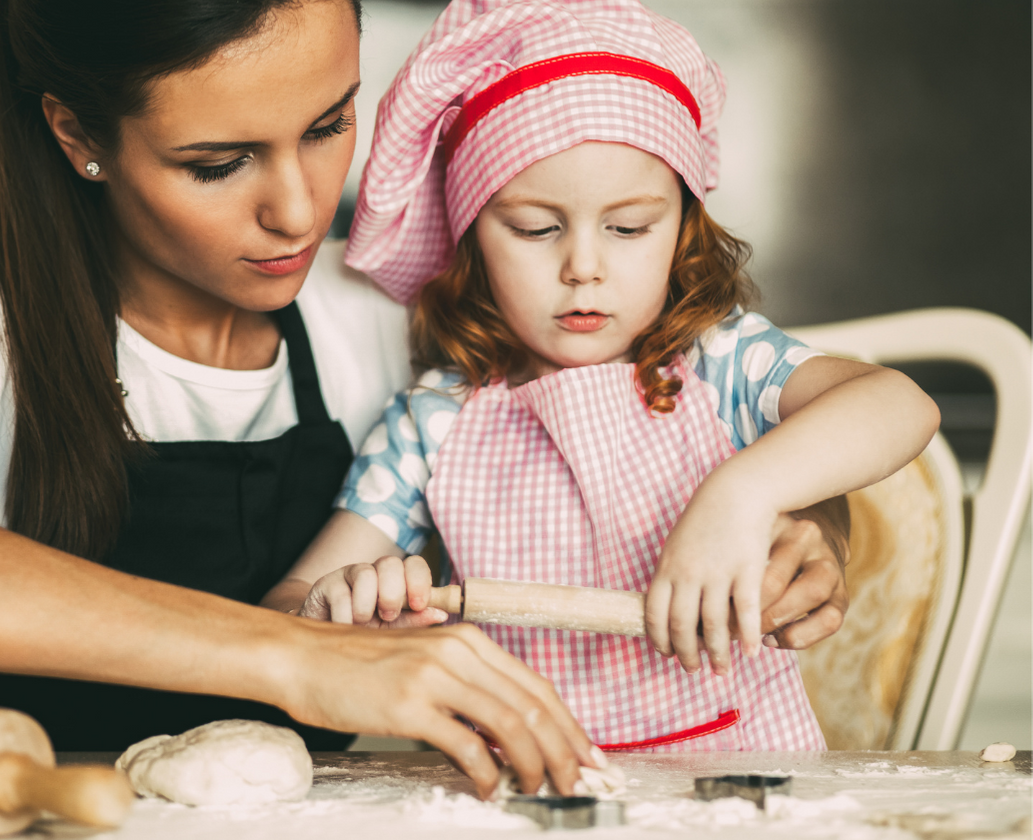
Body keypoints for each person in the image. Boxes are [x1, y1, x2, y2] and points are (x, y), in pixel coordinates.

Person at [0, 0, 842, 795]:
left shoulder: (384, 310)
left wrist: (801, 524)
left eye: (329, 124)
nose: (299, 210)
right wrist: (290, 654)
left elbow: (668, 431)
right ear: (78, 135)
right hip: (10, 807)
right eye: (217, 161)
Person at [265, 0, 938, 750]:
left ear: (683, 226)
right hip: (509, 806)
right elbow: (287, 611)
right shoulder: (435, 421)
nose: (583, 266)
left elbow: (900, 404)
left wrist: (741, 494)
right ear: (470, 236)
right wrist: (344, 601)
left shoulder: (722, 363)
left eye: (628, 227)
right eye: (534, 228)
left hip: (734, 792)